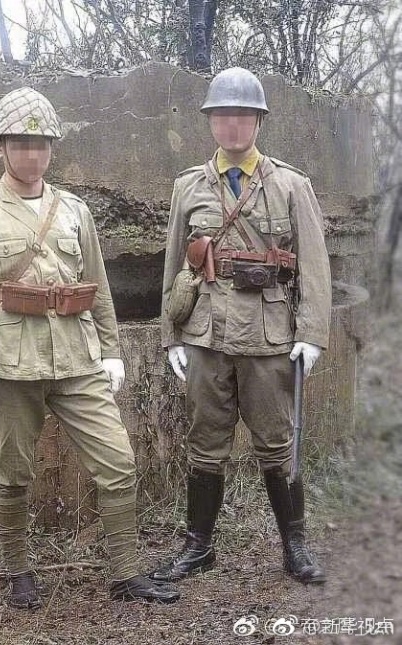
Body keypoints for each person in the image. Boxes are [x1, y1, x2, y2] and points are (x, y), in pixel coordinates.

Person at [0, 87, 180, 608]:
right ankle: (17, 571)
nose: (32, 154)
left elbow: (98, 285)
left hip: (75, 355)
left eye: (41, 144)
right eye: (21, 143)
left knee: (118, 462)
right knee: (12, 474)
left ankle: (126, 573)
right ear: (1, 147)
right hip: (8, 360)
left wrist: (110, 350)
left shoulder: (74, 211)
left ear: (53, 148)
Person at [153, 67, 332, 586]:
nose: (232, 125)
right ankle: (198, 547)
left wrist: (311, 333)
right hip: (206, 335)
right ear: (211, 122)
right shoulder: (188, 186)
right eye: (222, 116)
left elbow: (315, 266)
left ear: (258, 121)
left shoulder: (291, 185)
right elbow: (174, 263)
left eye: (242, 115)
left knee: (276, 443)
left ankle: (294, 547)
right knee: (205, 442)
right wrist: (171, 335)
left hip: (268, 336)